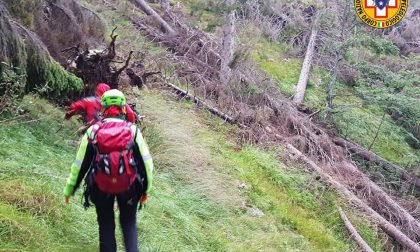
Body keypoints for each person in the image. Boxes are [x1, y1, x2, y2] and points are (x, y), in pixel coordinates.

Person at [63, 89, 153, 252]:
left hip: (100, 185)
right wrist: (146, 189)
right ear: (123, 108)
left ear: (102, 108)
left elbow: (80, 164)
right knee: (129, 224)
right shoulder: (133, 131)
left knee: (105, 226)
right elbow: (146, 164)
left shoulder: (93, 131)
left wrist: (70, 188)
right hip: (129, 186)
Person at [65, 83, 137, 125]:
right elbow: (130, 113)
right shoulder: (118, 101)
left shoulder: (89, 100)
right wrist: (131, 125)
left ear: (97, 91)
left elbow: (74, 106)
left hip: (93, 129)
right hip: (117, 128)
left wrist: (68, 115)